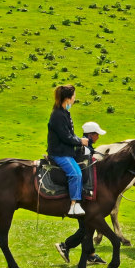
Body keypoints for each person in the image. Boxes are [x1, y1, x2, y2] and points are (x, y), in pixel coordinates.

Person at [55, 121, 107, 265]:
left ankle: (90, 254)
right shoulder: (83, 149)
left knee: (88, 226)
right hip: (81, 195)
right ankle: (65, 246)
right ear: (90, 135)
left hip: (82, 193)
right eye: (97, 134)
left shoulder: (87, 148)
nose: (98, 137)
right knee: (86, 227)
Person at [47, 85, 88, 216]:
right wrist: (80, 141)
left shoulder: (64, 113)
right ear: (68, 99)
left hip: (65, 151)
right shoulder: (58, 115)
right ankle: (73, 205)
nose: (75, 99)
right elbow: (65, 137)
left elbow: (69, 134)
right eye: (74, 96)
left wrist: (79, 140)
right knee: (75, 174)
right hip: (60, 153)